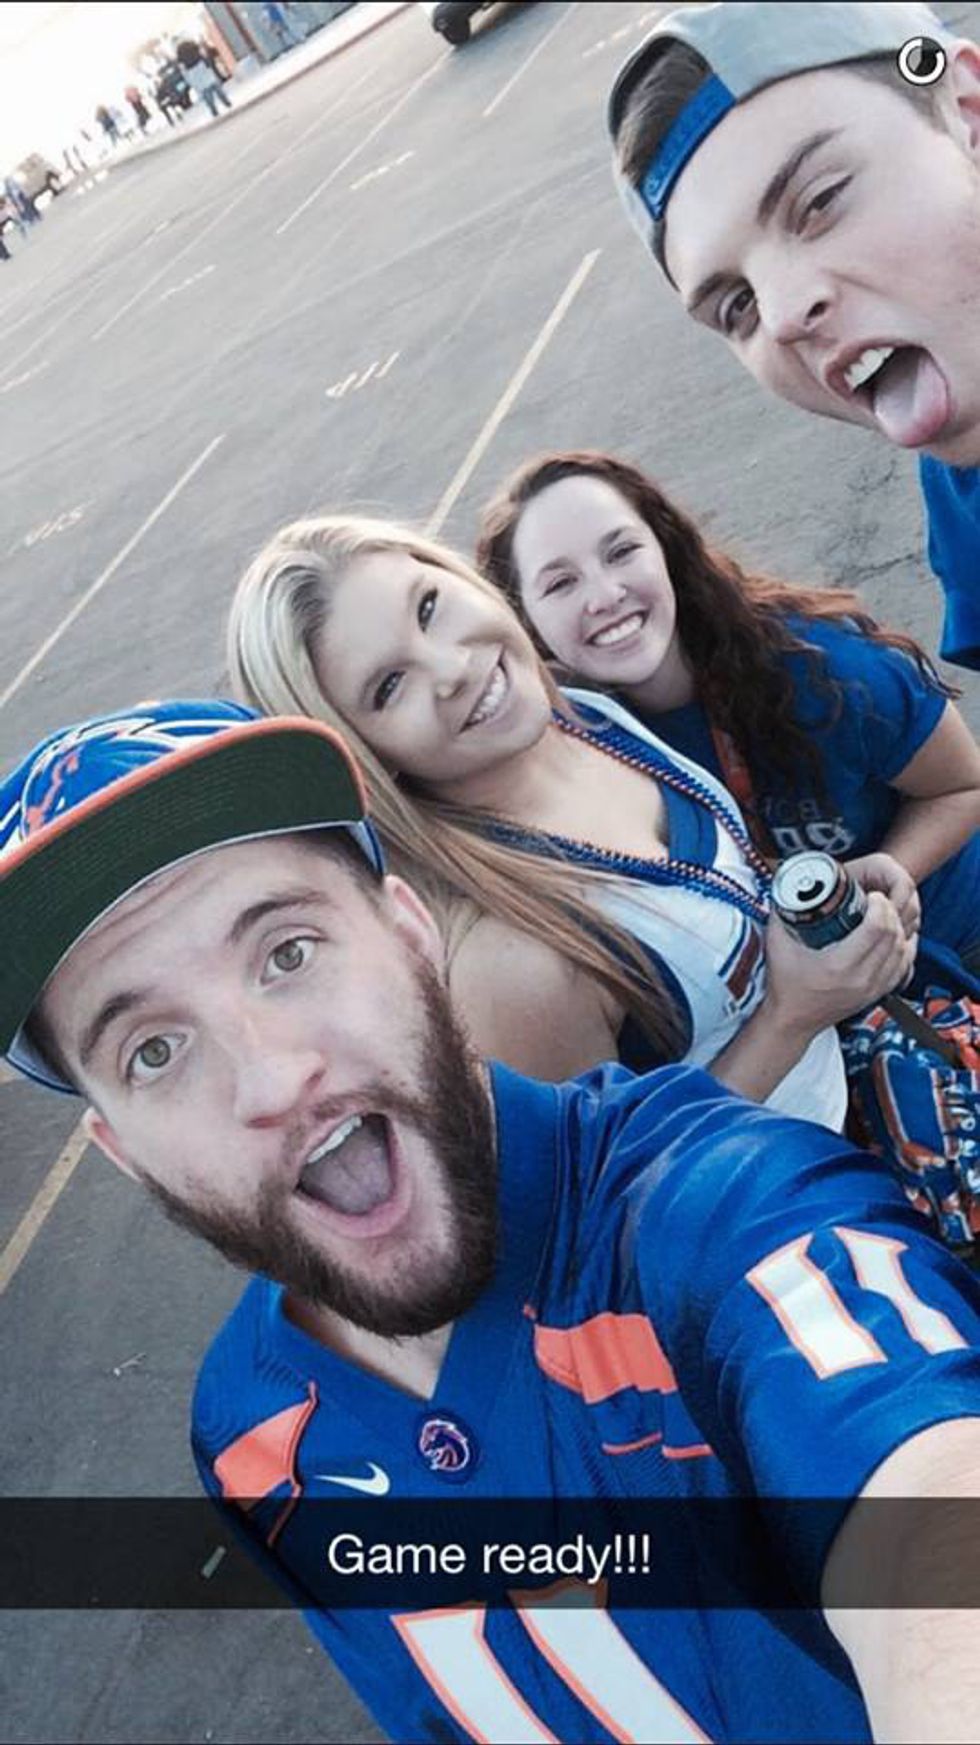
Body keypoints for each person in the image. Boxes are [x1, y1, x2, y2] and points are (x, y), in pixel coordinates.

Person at [1, 698, 978, 1745]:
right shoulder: (247, 1433)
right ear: (124, 1150)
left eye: (288, 951)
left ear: (412, 935)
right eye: (153, 1050)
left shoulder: (708, 1206)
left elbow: (923, 1505)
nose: (273, 1079)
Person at [228, 515, 917, 1128]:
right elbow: (621, 1186)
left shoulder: (577, 710)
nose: (453, 667)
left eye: (429, 607)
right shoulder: (511, 964)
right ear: (364, 757)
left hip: (857, 1085)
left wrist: (812, 898)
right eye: (388, 687)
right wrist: (791, 1016)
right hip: (798, 1202)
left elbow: (693, 898)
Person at [475, 449, 980, 969]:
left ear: (665, 548)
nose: (604, 595)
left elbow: (962, 787)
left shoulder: (828, 671)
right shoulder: (571, 757)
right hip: (811, 997)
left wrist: (874, 884)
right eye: (560, 583)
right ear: (523, 622)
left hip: (955, 942)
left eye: (621, 551)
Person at [607, 1, 980, 671]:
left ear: (968, 114)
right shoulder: (959, 496)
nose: (781, 317)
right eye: (737, 305)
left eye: (820, 201)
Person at [175, 37, 232, 118]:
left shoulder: (179, 53)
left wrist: (187, 77)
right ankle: (226, 102)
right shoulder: (192, 44)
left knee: (205, 90)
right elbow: (202, 53)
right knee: (214, 85)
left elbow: (181, 66)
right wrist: (207, 62)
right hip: (201, 65)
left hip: (193, 71)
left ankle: (213, 109)